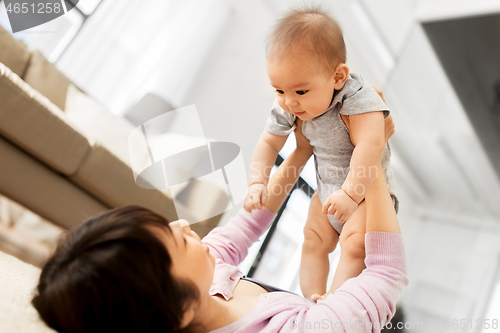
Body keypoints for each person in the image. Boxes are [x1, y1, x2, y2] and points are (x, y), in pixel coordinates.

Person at [32, 114, 406, 333]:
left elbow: (250, 221)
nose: (181, 223)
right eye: (176, 241)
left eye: (166, 225)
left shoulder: (202, 280)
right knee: (356, 246)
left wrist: (301, 149)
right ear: (179, 311)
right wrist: (370, 157)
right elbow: (387, 273)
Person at [243, 6, 398, 301]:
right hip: (327, 190)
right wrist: (256, 182)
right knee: (313, 241)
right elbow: (268, 143)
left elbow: (370, 145)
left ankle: (335, 302)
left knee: (354, 246)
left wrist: (351, 194)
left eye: (300, 92)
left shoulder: (357, 97)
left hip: (366, 193)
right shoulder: (290, 104)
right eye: (278, 90)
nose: (288, 102)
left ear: (338, 77)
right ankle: (313, 298)